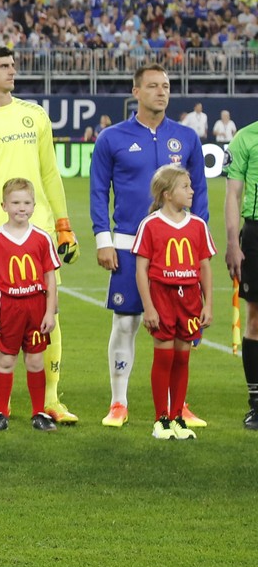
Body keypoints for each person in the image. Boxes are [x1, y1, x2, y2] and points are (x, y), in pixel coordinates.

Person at [0, 46, 79, 424]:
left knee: (47, 314)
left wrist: (63, 223)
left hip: (38, 235)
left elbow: (50, 172)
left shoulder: (34, 115)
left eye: (13, 65)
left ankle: (51, 400)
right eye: (4, 66)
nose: (12, 71)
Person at [89, 64, 209, 427]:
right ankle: (119, 402)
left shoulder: (186, 138)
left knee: (179, 329)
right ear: (136, 91)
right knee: (126, 323)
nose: (162, 92)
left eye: (167, 86)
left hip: (178, 251)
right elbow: (98, 190)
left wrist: (198, 237)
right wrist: (103, 239)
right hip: (127, 244)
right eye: (154, 86)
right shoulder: (111, 137)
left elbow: (199, 191)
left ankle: (177, 405)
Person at [133, 165, 215, 441]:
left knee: (183, 356)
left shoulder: (197, 225)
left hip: (190, 298)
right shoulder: (151, 225)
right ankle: (161, 419)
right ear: (167, 194)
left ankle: (178, 416)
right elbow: (141, 270)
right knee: (164, 355)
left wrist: (208, 304)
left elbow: (204, 267)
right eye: (185, 187)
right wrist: (149, 307)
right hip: (162, 297)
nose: (192, 191)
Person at [0, 179, 61, 433]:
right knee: (6, 361)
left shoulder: (42, 238)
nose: (21, 208)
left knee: (36, 362)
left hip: (36, 306)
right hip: (8, 307)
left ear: (34, 206)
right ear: (4, 205)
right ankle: (1, 412)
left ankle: (38, 413)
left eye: (26, 203)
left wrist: (50, 310)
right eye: (15, 203)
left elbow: (49, 277)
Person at [228, 114, 258, 430]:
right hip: (256, 233)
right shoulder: (246, 138)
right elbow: (233, 194)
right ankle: (257, 403)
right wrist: (232, 242)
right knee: (255, 318)